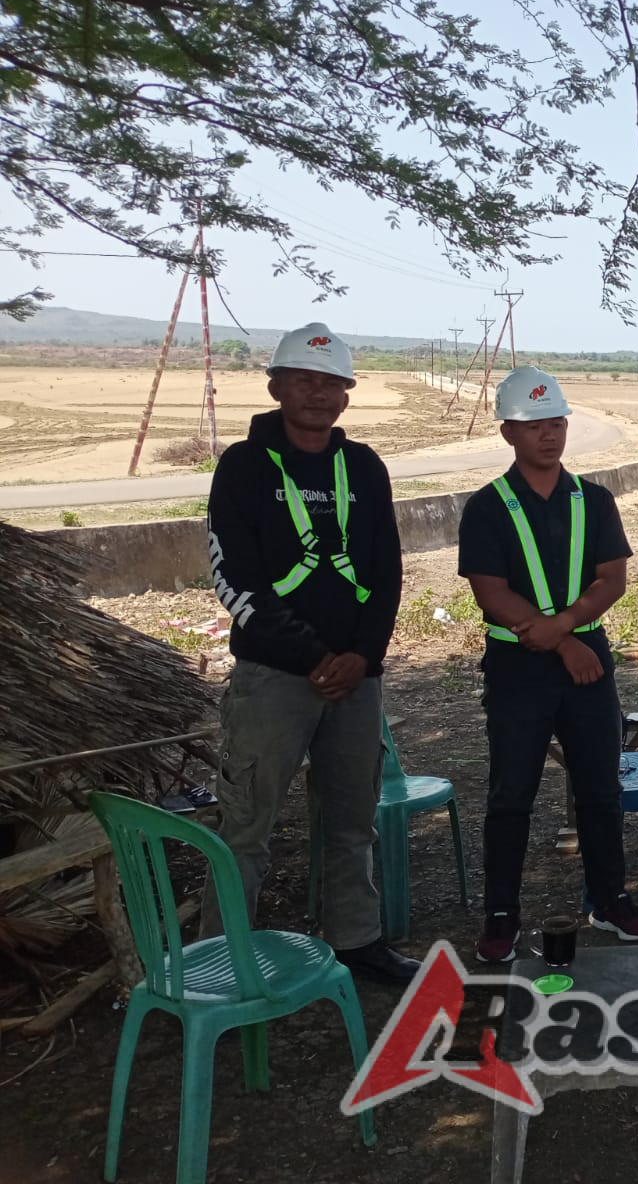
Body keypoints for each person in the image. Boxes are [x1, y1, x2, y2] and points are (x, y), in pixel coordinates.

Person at [200, 322, 416, 983]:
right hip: (273, 677)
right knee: (246, 827)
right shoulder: (242, 467)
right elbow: (232, 575)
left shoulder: (364, 468)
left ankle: (356, 940)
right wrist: (313, 657)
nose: (319, 395)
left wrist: (362, 656)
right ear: (276, 387)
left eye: (332, 384)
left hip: (356, 678)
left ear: (347, 394)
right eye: (304, 381)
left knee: (353, 819)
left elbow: (385, 571)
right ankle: (224, 957)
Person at [458, 366, 638, 963]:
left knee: (599, 787)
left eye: (556, 423)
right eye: (534, 425)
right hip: (519, 668)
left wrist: (567, 632)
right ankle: (501, 914)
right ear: (508, 433)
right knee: (510, 794)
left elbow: (611, 579)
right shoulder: (487, 507)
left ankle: (609, 897)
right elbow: (491, 592)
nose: (549, 435)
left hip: (587, 664)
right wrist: (559, 640)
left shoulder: (593, 500)